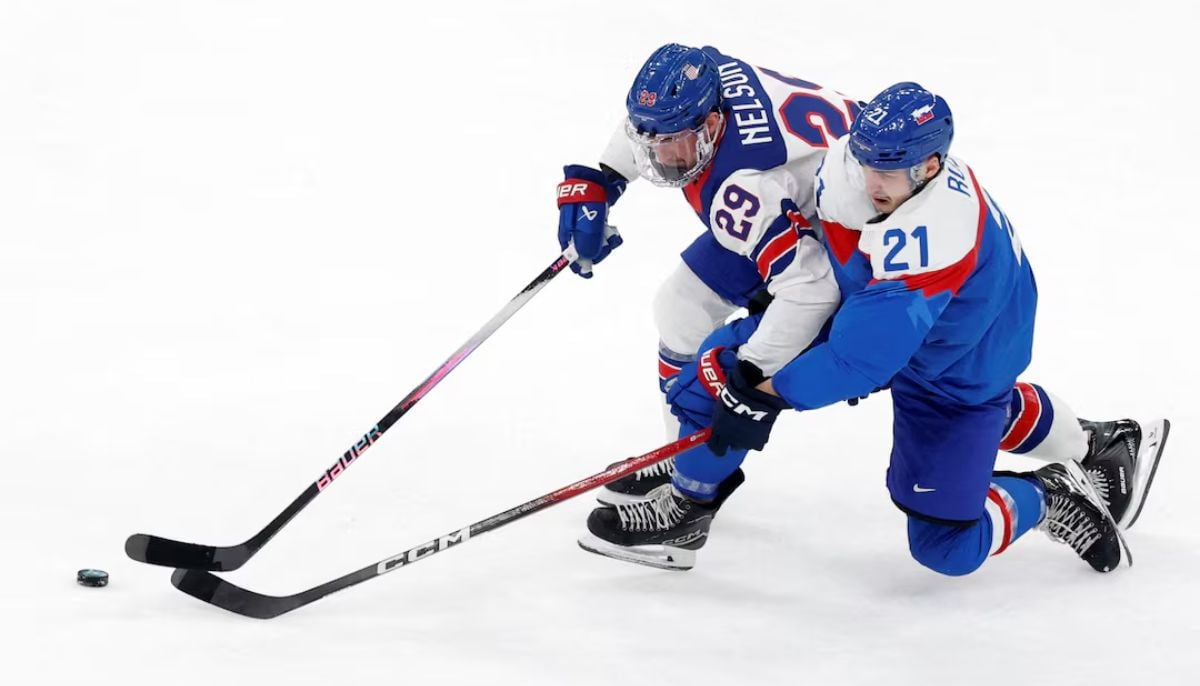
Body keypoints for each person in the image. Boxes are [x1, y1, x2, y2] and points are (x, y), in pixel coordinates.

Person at [579, 82, 1171, 575]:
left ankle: (1051, 495)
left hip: (964, 353)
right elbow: (796, 185)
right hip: (874, 310)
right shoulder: (864, 161)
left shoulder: (934, 235)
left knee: (946, 547)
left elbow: (858, 362)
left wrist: (765, 395)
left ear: (931, 167)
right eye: (864, 161)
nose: (869, 181)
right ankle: (687, 504)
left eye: (887, 171)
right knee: (718, 368)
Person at [555, 43, 858, 506]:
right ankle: (680, 457)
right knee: (681, 309)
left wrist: (750, 374)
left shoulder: (740, 183)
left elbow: (809, 287)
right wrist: (605, 178)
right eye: (648, 142)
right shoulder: (702, 77)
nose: (658, 158)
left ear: (713, 124)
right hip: (789, 201)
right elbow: (655, 124)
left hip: (845, 244)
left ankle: (691, 496)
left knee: (926, 378)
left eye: (670, 143)